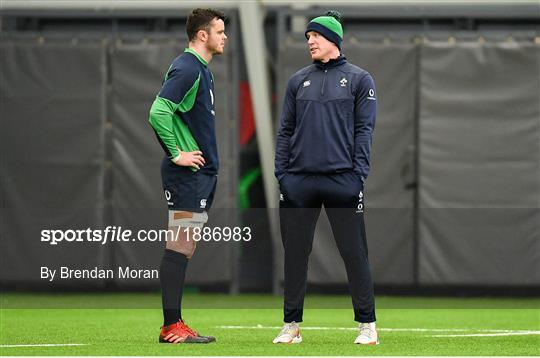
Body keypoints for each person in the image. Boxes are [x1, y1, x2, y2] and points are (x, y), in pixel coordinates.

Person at [273, 10, 379, 345]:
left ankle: (367, 326)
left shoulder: (360, 80)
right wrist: (283, 175)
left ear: (332, 38)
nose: (310, 42)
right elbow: (285, 131)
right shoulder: (297, 81)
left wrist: (357, 175)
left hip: (342, 182)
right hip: (298, 182)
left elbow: (365, 131)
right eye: (307, 37)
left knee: (354, 254)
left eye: (315, 36)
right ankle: (292, 325)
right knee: (294, 255)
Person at [148, 8, 227, 344]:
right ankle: (171, 326)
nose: (225, 37)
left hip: (199, 176)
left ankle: (175, 322)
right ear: (202, 35)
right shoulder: (188, 67)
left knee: (185, 245)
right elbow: (158, 111)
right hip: (188, 177)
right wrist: (177, 154)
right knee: (179, 244)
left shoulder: (201, 70)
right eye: (220, 31)